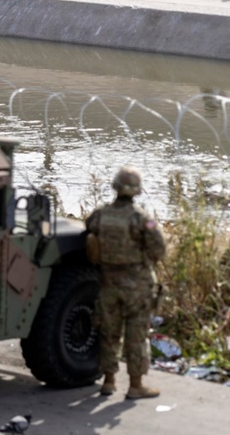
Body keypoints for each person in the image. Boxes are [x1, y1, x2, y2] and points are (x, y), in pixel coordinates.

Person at [84, 166, 165, 400]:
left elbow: (88, 231)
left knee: (109, 333)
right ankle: (135, 385)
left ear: (115, 187)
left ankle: (108, 382)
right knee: (136, 336)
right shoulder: (141, 219)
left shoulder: (100, 214)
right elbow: (159, 248)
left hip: (108, 283)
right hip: (137, 286)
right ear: (137, 191)